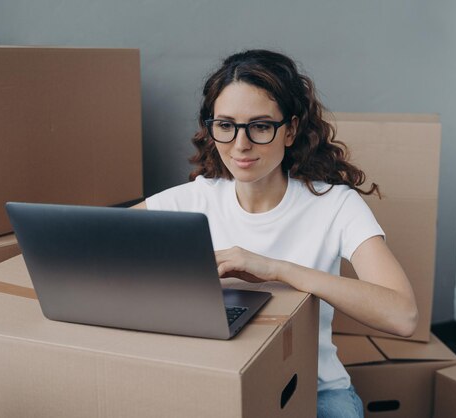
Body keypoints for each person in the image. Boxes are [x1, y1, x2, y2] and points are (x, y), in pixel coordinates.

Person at [133, 49, 418, 418]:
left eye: (260, 126)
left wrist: (276, 269)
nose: (240, 145)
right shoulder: (193, 199)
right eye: (225, 125)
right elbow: (99, 245)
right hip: (215, 384)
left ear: (291, 130)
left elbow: (402, 316)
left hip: (312, 389)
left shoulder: (335, 205)